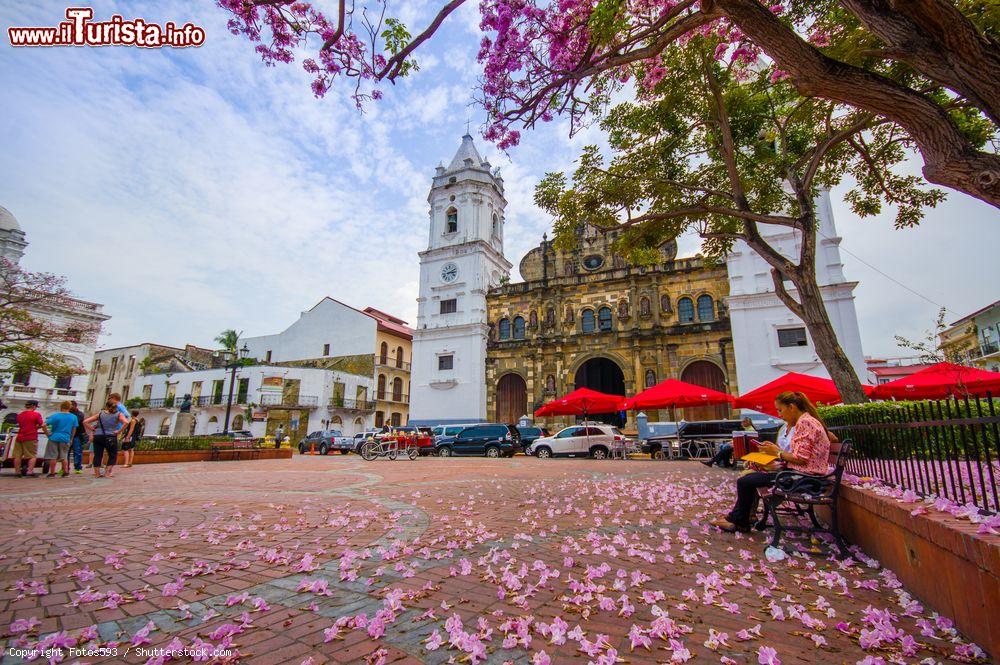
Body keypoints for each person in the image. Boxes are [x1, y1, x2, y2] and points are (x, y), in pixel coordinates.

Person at [711, 392, 831, 533]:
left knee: (745, 481)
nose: (780, 415)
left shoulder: (805, 422)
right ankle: (738, 519)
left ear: (791, 407)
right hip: (803, 475)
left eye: (780, 410)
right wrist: (775, 450)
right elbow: (801, 455)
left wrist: (777, 452)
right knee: (747, 479)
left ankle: (739, 521)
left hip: (803, 478)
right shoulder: (806, 421)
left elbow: (801, 458)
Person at [84, 400, 128, 478]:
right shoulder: (118, 414)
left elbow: (85, 422)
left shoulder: (100, 414)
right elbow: (126, 422)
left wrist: (93, 429)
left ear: (106, 406)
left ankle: (97, 473)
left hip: (98, 436)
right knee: (112, 455)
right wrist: (119, 431)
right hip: (111, 436)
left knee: (98, 455)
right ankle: (107, 473)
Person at [12, 400, 48, 477]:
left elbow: (23, 425)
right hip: (31, 437)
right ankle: (30, 471)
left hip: (20, 436)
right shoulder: (36, 415)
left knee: (17, 456)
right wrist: (46, 432)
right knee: (32, 456)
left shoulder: (20, 415)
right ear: (33, 406)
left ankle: (17, 472)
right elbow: (42, 425)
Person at [44, 401, 77, 478]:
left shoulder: (55, 416)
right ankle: (65, 472)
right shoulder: (73, 417)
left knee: (53, 456)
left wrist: (47, 433)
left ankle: (52, 472)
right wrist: (71, 438)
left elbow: (44, 424)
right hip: (66, 437)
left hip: (54, 436)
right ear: (70, 407)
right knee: (64, 456)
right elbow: (74, 429)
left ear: (61, 407)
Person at [69, 400, 87, 474]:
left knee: (77, 451)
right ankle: (65, 467)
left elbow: (76, 422)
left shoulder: (79, 414)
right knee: (66, 452)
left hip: (77, 435)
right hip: (68, 435)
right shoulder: (69, 413)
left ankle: (78, 467)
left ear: (75, 406)